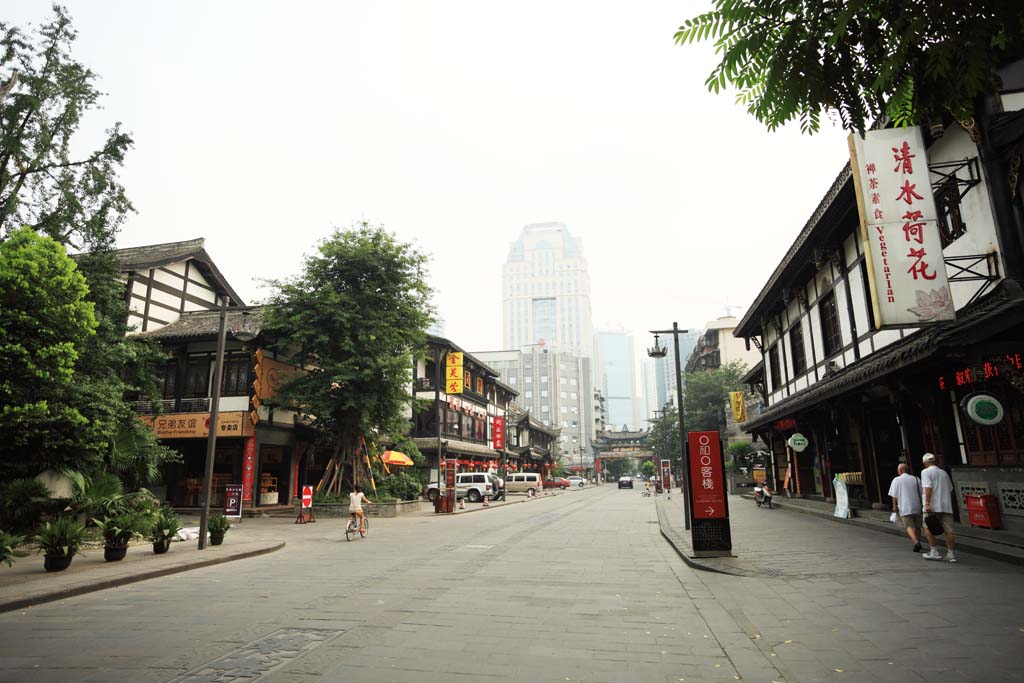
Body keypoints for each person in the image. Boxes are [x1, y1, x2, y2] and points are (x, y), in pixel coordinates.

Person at [920, 453, 957, 563]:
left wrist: (927, 503)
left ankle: (934, 551)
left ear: (925, 463)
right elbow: (950, 489)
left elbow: (928, 488)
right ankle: (951, 554)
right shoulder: (944, 473)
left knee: (927, 527)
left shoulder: (925, 472)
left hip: (932, 507)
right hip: (946, 506)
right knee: (949, 531)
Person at [887, 463, 923, 552]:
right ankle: (918, 540)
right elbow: (922, 492)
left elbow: (893, 495)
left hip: (904, 507)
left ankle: (915, 542)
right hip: (917, 506)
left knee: (909, 526)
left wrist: (894, 506)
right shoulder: (916, 479)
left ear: (900, 470)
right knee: (917, 526)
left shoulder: (896, 480)